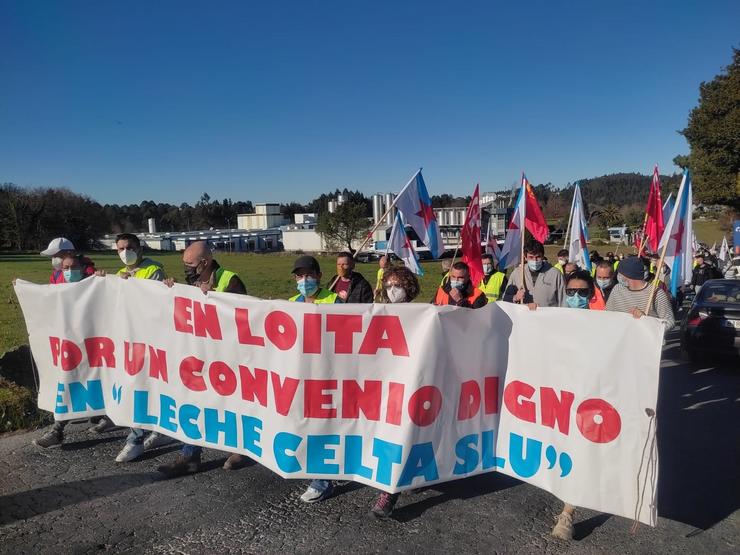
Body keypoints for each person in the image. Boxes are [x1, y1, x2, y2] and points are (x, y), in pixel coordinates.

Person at [157, 241, 249, 477]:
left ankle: (241, 449)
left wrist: (213, 298)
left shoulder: (230, 279)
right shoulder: (190, 282)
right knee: (193, 402)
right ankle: (190, 455)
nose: (186, 268)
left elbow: (241, 313)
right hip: (199, 355)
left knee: (232, 404)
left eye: (190, 264)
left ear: (205, 263)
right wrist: (170, 292)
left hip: (227, 356)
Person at [97, 233, 167, 462]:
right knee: (139, 388)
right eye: (120, 249)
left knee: (145, 387)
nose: (124, 252)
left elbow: (150, 300)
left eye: (129, 247)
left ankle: (135, 440)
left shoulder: (154, 269)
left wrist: (128, 285)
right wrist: (103, 282)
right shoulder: (120, 274)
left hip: (151, 339)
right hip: (129, 340)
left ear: (140, 248)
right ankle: (155, 431)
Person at [32, 252, 103, 448]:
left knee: (96, 380)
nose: (69, 272)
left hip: (93, 344)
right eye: (65, 268)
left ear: (82, 268)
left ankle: (103, 416)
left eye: (73, 268)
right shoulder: (58, 286)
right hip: (70, 345)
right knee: (69, 381)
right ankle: (58, 429)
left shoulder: (95, 283)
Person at [370, 266, 421, 519]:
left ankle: (390, 492)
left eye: (397, 285)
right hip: (385, 387)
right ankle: (392, 488)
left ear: (408, 286)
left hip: (411, 386)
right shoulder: (379, 312)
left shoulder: (424, 314)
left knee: (405, 437)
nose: (392, 290)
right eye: (388, 286)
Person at [288, 256, 340, 502]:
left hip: (328, 374)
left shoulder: (335, 300)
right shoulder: (290, 304)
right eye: (299, 276)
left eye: (309, 275)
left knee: (324, 426)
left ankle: (322, 481)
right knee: (306, 425)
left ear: (319, 276)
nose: (304, 280)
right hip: (302, 374)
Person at [550, 269, 595, 539]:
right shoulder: (552, 319)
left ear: (592, 294)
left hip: (588, 398)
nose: (576, 296)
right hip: (557, 398)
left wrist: (636, 323)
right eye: (571, 292)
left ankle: (567, 513)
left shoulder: (606, 322)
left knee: (578, 452)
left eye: (582, 292)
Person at [605, 256, 675, 330]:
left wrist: (647, 320)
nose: (617, 276)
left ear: (627, 275)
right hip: (623, 338)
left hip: (645, 340)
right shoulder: (617, 289)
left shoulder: (656, 293)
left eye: (619, 273)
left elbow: (670, 322)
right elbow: (607, 314)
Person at [502, 240, 565, 308]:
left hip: (548, 317)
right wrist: (515, 297)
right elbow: (505, 299)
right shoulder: (517, 273)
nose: (535, 260)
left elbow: (563, 300)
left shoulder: (555, 274)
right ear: (525, 257)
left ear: (543, 256)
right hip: (524, 317)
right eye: (531, 257)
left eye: (538, 257)